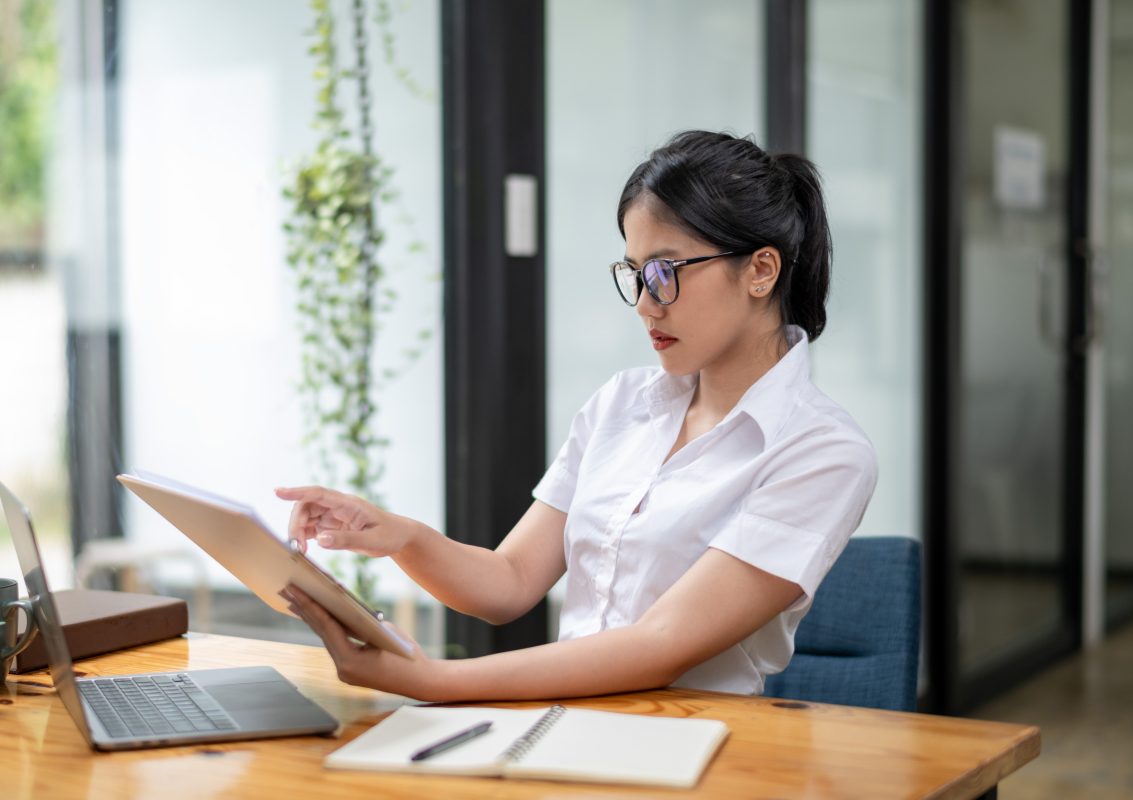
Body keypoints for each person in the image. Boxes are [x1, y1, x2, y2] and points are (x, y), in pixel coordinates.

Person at [277, 130, 878, 702]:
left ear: (760, 270)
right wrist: (397, 536)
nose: (644, 303)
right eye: (635, 274)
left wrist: (434, 680)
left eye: (666, 273)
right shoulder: (622, 403)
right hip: (565, 718)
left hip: (702, 743)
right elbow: (509, 581)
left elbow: (660, 645)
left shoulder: (824, 452)